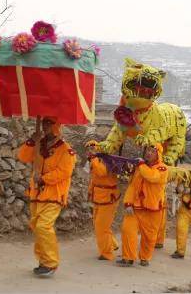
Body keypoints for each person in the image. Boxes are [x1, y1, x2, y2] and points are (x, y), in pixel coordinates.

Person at [17, 116, 77, 277]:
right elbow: (23, 157)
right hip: (36, 194)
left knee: (43, 226)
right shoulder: (39, 144)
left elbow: (65, 172)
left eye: (49, 123)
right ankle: (43, 261)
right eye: (44, 123)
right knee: (37, 227)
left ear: (57, 126)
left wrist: (43, 178)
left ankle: (51, 263)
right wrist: (31, 140)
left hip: (54, 195)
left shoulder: (66, 149)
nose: (45, 126)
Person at [118, 144, 168, 267]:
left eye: (152, 151)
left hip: (153, 209)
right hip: (136, 207)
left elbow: (152, 177)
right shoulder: (140, 168)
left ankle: (145, 257)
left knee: (149, 237)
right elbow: (132, 186)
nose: (148, 153)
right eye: (147, 150)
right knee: (127, 229)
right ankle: (128, 257)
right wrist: (128, 203)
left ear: (158, 154)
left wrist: (141, 165)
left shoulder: (163, 168)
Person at [86, 143, 120, 261]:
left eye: (93, 148)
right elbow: (95, 179)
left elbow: (101, 172)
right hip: (99, 197)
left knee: (101, 226)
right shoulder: (95, 160)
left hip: (108, 198)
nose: (90, 150)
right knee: (98, 223)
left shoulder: (107, 160)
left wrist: (94, 158)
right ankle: (112, 244)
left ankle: (107, 253)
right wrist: (90, 192)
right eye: (89, 148)